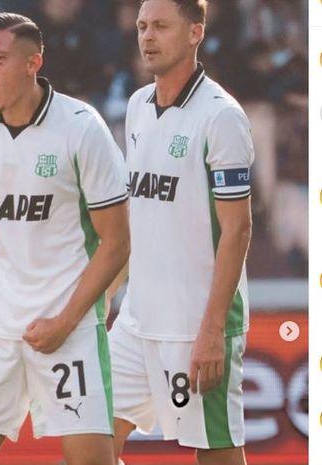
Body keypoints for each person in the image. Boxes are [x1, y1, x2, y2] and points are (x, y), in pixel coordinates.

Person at [0, 12, 130, 465]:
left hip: (68, 327)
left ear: (33, 62)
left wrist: (66, 322)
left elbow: (117, 243)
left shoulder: (81, 127)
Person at [110, 1, 253, 465]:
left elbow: (237, 229)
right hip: (136, 320)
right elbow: (139, 212)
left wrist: (212, 331)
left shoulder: (221, 116)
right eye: (141, 27)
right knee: (88, 442)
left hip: (195, 326)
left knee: (216, 456)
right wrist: (110, 291)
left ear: (195, 32)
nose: (147, 37)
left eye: (160, 26)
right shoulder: (136, 106)